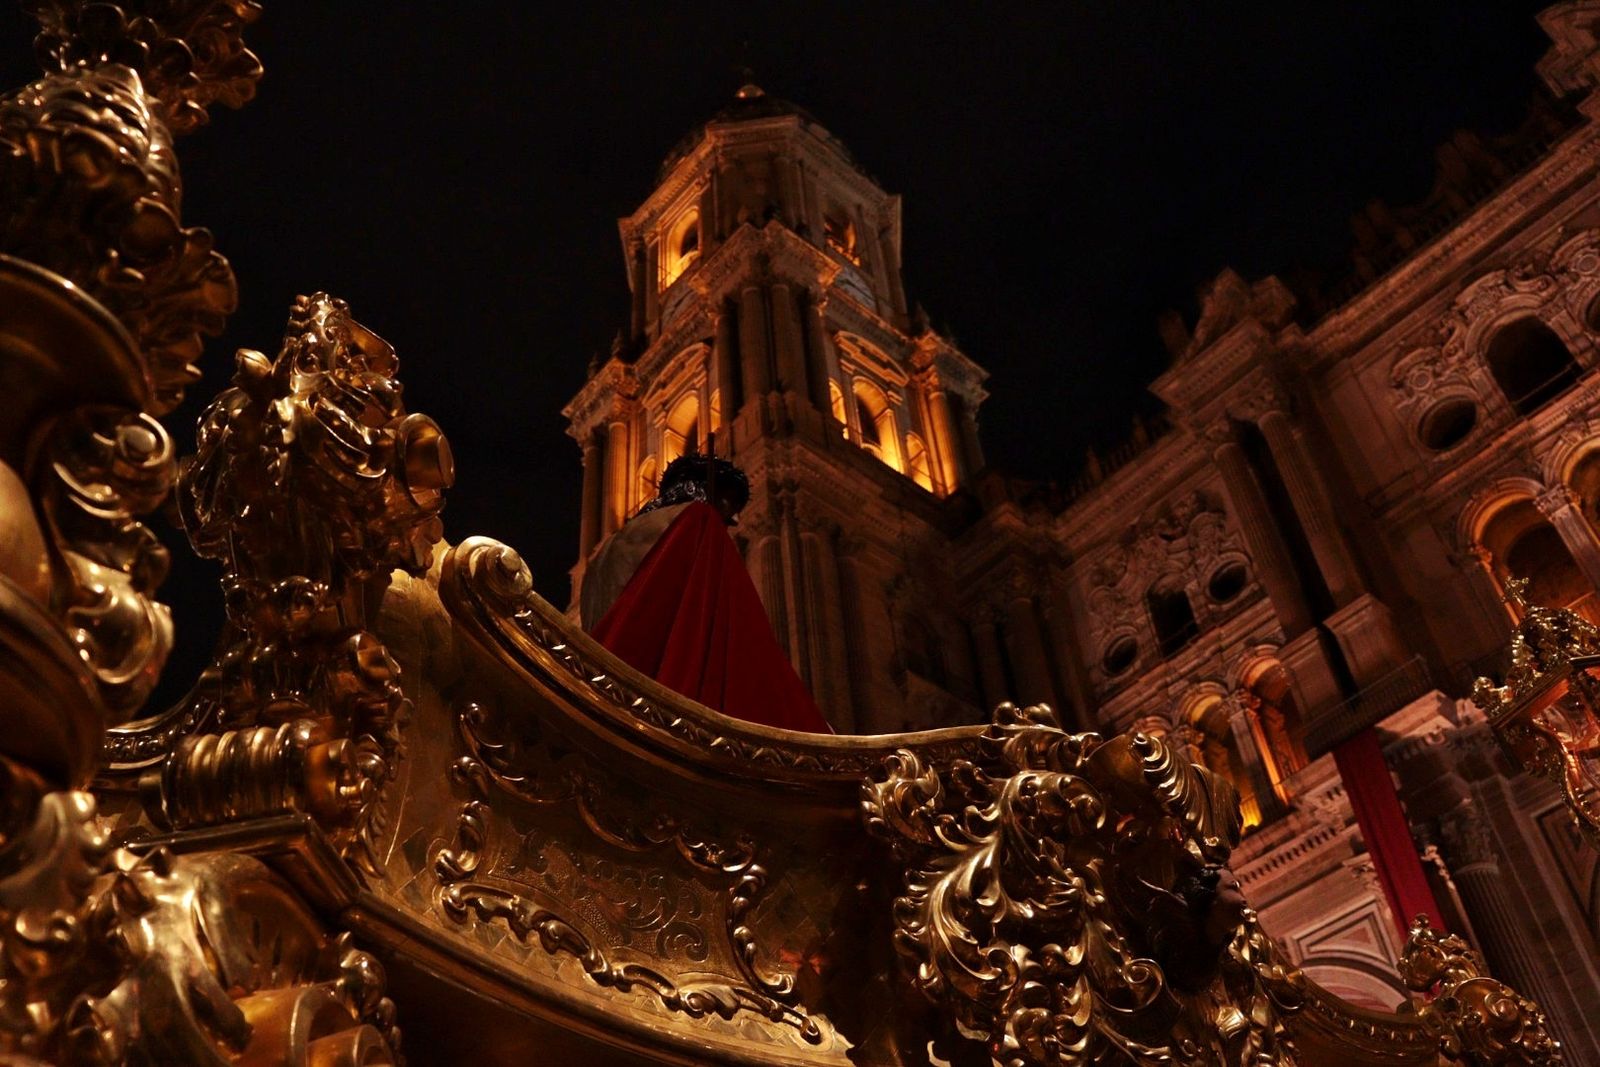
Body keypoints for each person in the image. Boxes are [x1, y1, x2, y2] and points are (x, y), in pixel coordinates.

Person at [582, 452, 833, 733]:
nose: (734, 519)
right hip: (663, 700)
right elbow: (740, 628)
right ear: (702, 489)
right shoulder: (698, 522)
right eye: (729, 502)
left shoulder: (601, 555)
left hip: (600, 695)